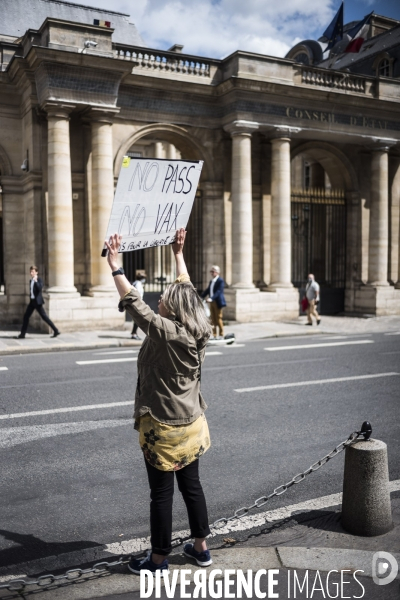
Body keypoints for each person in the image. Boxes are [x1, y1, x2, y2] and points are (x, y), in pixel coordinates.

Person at [105, 228, 213, 575]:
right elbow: (188, 292)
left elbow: (138, 308)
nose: (160, 301)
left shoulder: (167, 332)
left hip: (164, 429)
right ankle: (201, 548)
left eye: (164, 299)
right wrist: (178, 252)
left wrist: (115, 266)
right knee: (191, 485)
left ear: (173, 310)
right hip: (193, 424)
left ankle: (158, 560)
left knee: (161, 494)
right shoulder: (196, 328)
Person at [17, 266, 60, 339]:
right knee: (26, 316)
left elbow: (40, 288)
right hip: (32, 302)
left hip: (38, 302)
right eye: (31, 272)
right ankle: (22, 334)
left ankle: (56, 330)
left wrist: (36, 281)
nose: (31, 273)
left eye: (33, 272)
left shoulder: (39, 280)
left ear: (36, 272)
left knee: (44, 317)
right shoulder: (31, 281)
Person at [201, 266, 226, 339]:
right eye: (211, 271)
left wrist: (211, 298)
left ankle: (221, 334)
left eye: (213, 271)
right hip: (212, 302)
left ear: (217, 272)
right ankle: (214, 335)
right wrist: (201, 297)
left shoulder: (220, 281)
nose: (212, 273)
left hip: (217, 301)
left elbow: (218, 292)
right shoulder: (212, 281)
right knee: (212, 319)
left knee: (218, 318)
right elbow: (208, 290)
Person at [131, 270, 147, 340]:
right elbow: (137, 295)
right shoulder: (138, 284)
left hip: (136, 303)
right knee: (138, 319)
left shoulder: (135, 283)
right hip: (137, 304)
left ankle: (134, 333)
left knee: (137, 319)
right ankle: (134, 334)